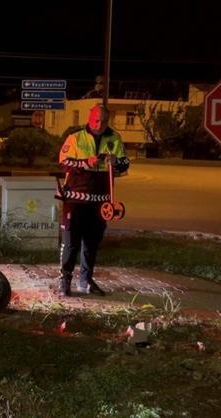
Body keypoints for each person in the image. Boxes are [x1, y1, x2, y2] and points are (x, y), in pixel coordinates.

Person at [56, 104, 129, 297]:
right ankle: (65, 279)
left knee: (92, 243)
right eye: (96, 119)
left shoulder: (114, 139)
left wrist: (116, 162)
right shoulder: (75, 137)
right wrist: (84, 163)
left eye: (104, 121)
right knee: (71, 242)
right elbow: (63, 161)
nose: (99, 124)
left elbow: (125, 164)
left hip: (101, 201)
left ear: (108, 120)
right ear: (90, 117)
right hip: (75, 198)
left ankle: (86, 281)